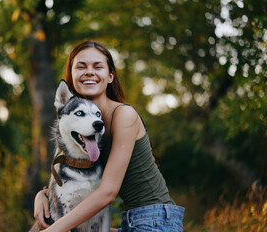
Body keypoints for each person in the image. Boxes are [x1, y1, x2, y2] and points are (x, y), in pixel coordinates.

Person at [33, 40, 185, 232]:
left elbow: (108, 192)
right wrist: (41, 196)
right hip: (128, 224)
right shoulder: (76, 126)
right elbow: (63, 180)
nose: (89, 71)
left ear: (110, 76)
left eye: (98, 66)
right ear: (72, 75)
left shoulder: (123, 115)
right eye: (81, 66)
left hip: (156, 220)